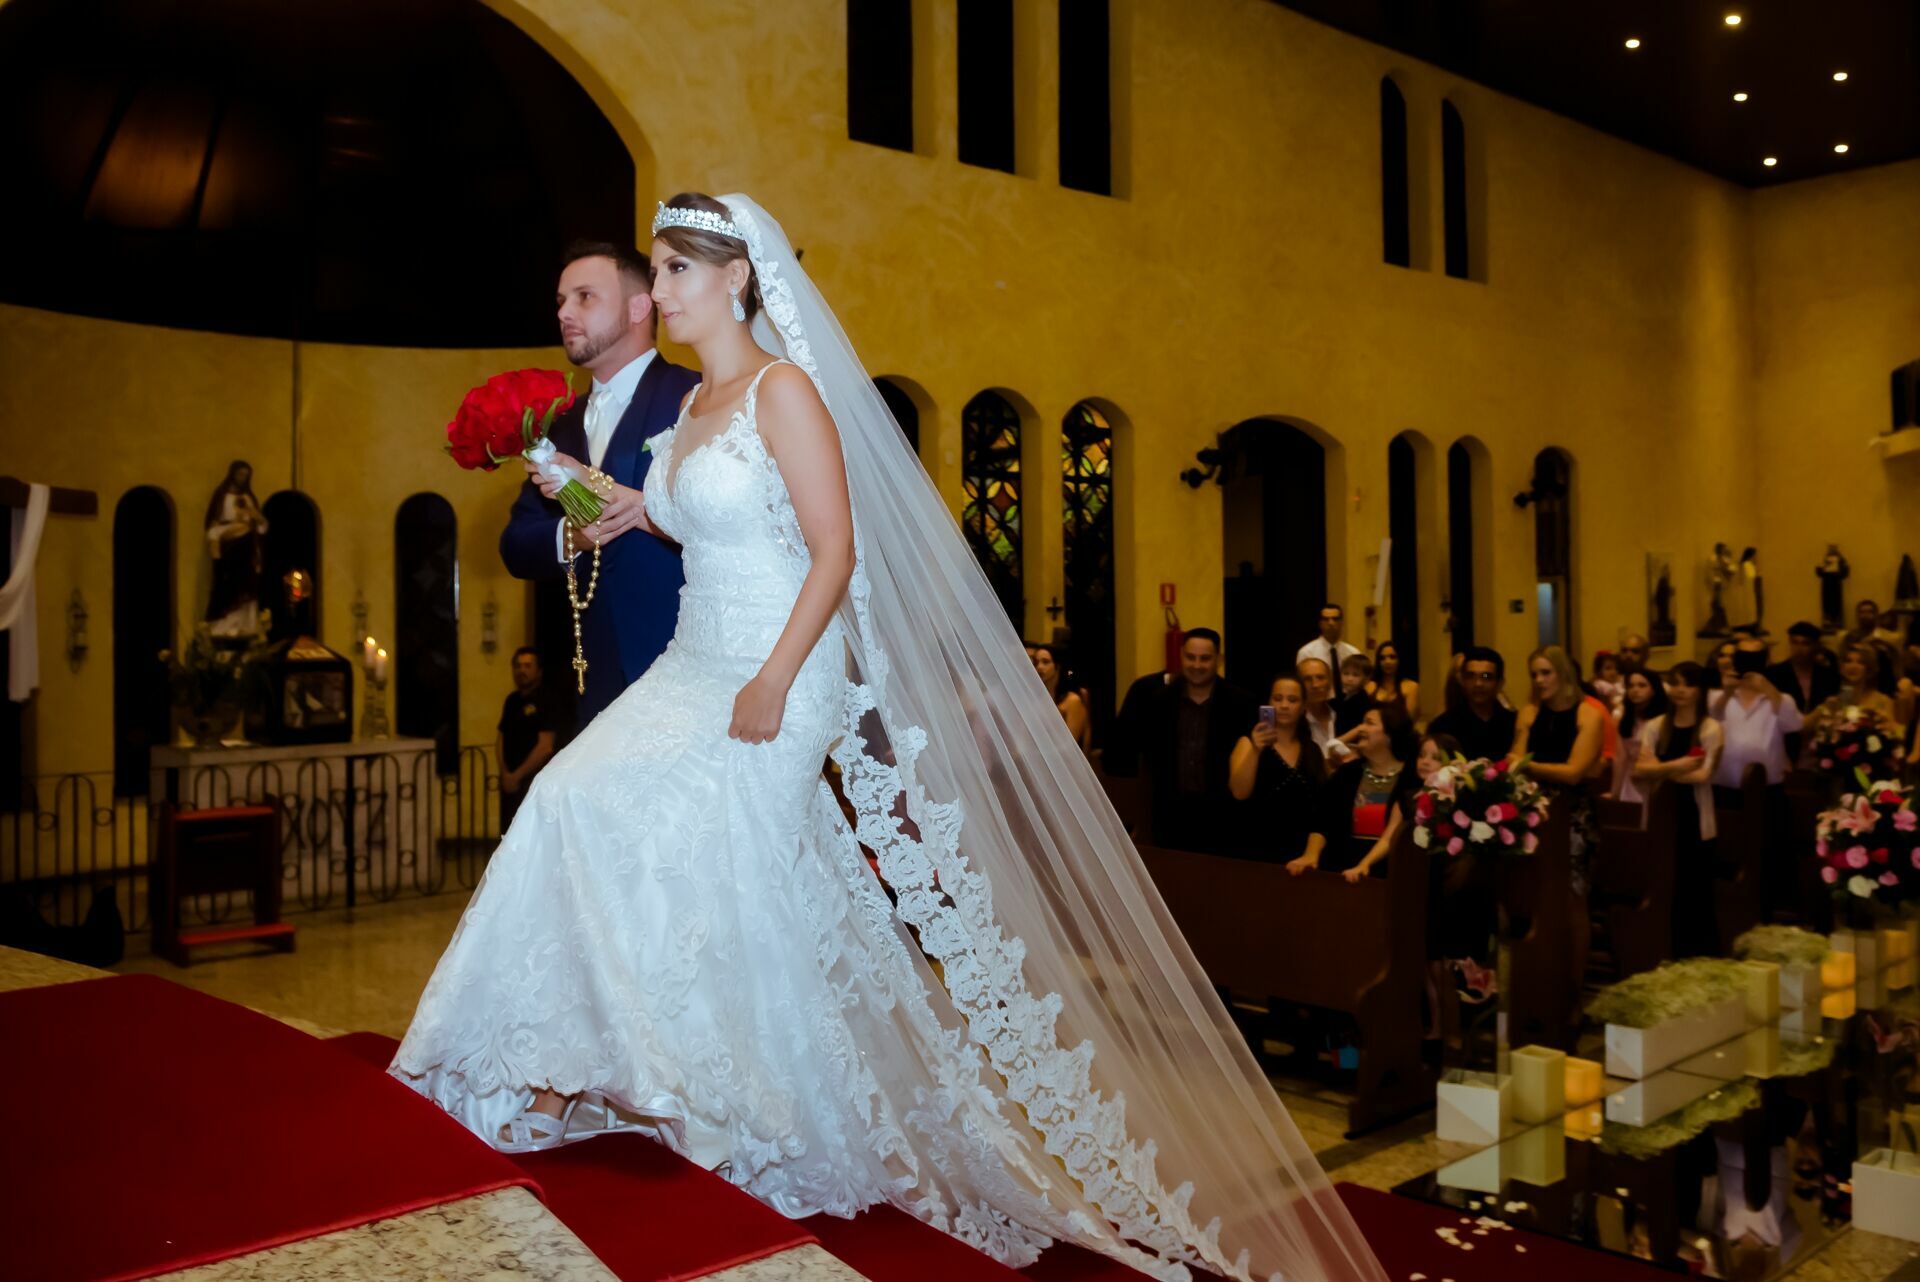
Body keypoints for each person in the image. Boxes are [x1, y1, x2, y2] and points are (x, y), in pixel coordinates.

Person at [393, 194, 1383, 1281]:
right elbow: (671, 515)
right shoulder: (696, 409)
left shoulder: (785, 391)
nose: (660, 291)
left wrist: (775, 678)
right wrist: (597, 495)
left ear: (734, 279)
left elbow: (833, 550)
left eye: (676, 270)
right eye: (660, 271)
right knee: (573, 798)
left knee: (711, 852)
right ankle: (575, 1058)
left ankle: (703, 1097)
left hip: (781, 666)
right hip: (693, 664)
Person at [500, 240, 703, 728]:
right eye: (561, 301)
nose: (565, 313)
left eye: (585, 297)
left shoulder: (695, 394)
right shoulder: (558, 424)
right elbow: (515, 545)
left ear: (639, 307)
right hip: (595, 683)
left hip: (688, 672)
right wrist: (573, 535)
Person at [1106, 628, 1255, 852]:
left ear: (1219, 660)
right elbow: (1142, 762)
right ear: (1181, 656)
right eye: (1190, 657)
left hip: (1223, 820)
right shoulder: (1158, 701)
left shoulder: (1241, 703)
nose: (1197, 665)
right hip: (1169, 819)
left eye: (1205, 658)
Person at [1512, 645, 1606, 997]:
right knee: (1533, 895)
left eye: (1545, 673)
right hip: (1532, 813)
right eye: (1534, 674)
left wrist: (1529, 766)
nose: (1538, 680)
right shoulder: (1529, 713)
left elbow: (1574, 772)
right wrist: (1525, 767)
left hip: (1573, 815)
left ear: (1564, 674)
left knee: (1572, 900)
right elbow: (1513, 763)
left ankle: (1573, 986)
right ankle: (1540, 981)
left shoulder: (1588, 715)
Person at [1633, 663, 1724, 958]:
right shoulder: (1655, 726)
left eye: (1688, 684)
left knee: (1694, 889)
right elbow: (1638, 772)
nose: (1680, 690)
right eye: (1675, 683)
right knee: (1663, 884)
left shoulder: (1711, 729)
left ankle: (1697, 954)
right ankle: (1663, 949)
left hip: (1695, 817)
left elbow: (1701, 776)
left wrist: (1658, 770)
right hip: (1661, 813)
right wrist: (1675, 766)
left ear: (1700, 690)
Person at [1290, 707, 1414, 876]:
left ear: (1389, 734)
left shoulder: (1411, 778)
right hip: (1344, 871)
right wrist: (1311, 855)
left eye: (1369, 723)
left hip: (1394, 875)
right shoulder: (1347, 773)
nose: (1360, 729)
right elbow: (1322, 819)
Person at [1227, 673, 1327, 863]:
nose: (1284, 705)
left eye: (1292, 700)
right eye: (1278, 698)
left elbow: (1321, 808)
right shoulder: (1248, 743)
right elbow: (1239, 792)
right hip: (1255, 852)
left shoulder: (1312, 750)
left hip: (1301, 857)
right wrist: (1256, 750)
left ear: (1303, 707)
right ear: (1268, 703)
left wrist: (1311, 854)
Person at [495, 646, 562, 832]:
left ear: (538, 670)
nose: (521, 670)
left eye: (527, 665)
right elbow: (500, 737)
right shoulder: (512, 700)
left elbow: (545, 746)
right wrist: (505, 773)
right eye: (517, 666)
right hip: (510, 784)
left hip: (533, 784)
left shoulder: (547, 700)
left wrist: (517, 776)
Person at [1428, 646, 1517, 763]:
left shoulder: (1514, 724)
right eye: (1471, 676)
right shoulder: (1443, 726)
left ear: (1500, 683)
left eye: (1486, 677)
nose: (1478, 683)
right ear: (1462, 680)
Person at [1613, 667, 1668, 805]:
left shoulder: (1664, 720)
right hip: (1630, 779)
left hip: (1656, 779)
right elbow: (1620, 758)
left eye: (1642, 685)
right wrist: (1615, 792)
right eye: (1631, 686)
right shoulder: (1624, 718)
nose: (1635, 690)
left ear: (1654, 690)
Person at [1767, 621, 1839, 714]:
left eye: (1805, 644)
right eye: (1794, 642)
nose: (1799, 649)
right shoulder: (1774, 674)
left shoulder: (1829, 676)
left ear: (1815, 646)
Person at [1031, 642, 1090, 754]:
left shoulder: (1072, 700)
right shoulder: (1036, 699)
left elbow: (1070, 745)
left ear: (1057, 666)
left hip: (1062, 762)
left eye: (1045, 662)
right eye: (1036, 663)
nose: (1039, 667)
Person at [1297, 655, 1350, 762]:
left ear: (1330, 682)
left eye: (1320, 678)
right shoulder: (1295, 722)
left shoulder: (1345, 713)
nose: (1315, 685)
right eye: (1307, 679)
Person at [1296, 602, 1361, 674]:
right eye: (1326, 619)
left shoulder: (1353, 653)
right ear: (1320, 623)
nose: (1331, 623)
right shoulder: (1307, 653)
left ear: (1342, 622)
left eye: (1335, 619)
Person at [1367, 639, 1420, 723]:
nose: (1387, 662)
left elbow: (1410, 721)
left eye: (1392, 657)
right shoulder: (1370, 686)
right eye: (1382, 658)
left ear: (1400, 659)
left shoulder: (1411, 686)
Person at [1334, 652, 1373, 733]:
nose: (1349, 679)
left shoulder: (1363, 702)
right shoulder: (1341, 697)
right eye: (1345, 673)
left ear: (1366, 679)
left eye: (1355, 675)